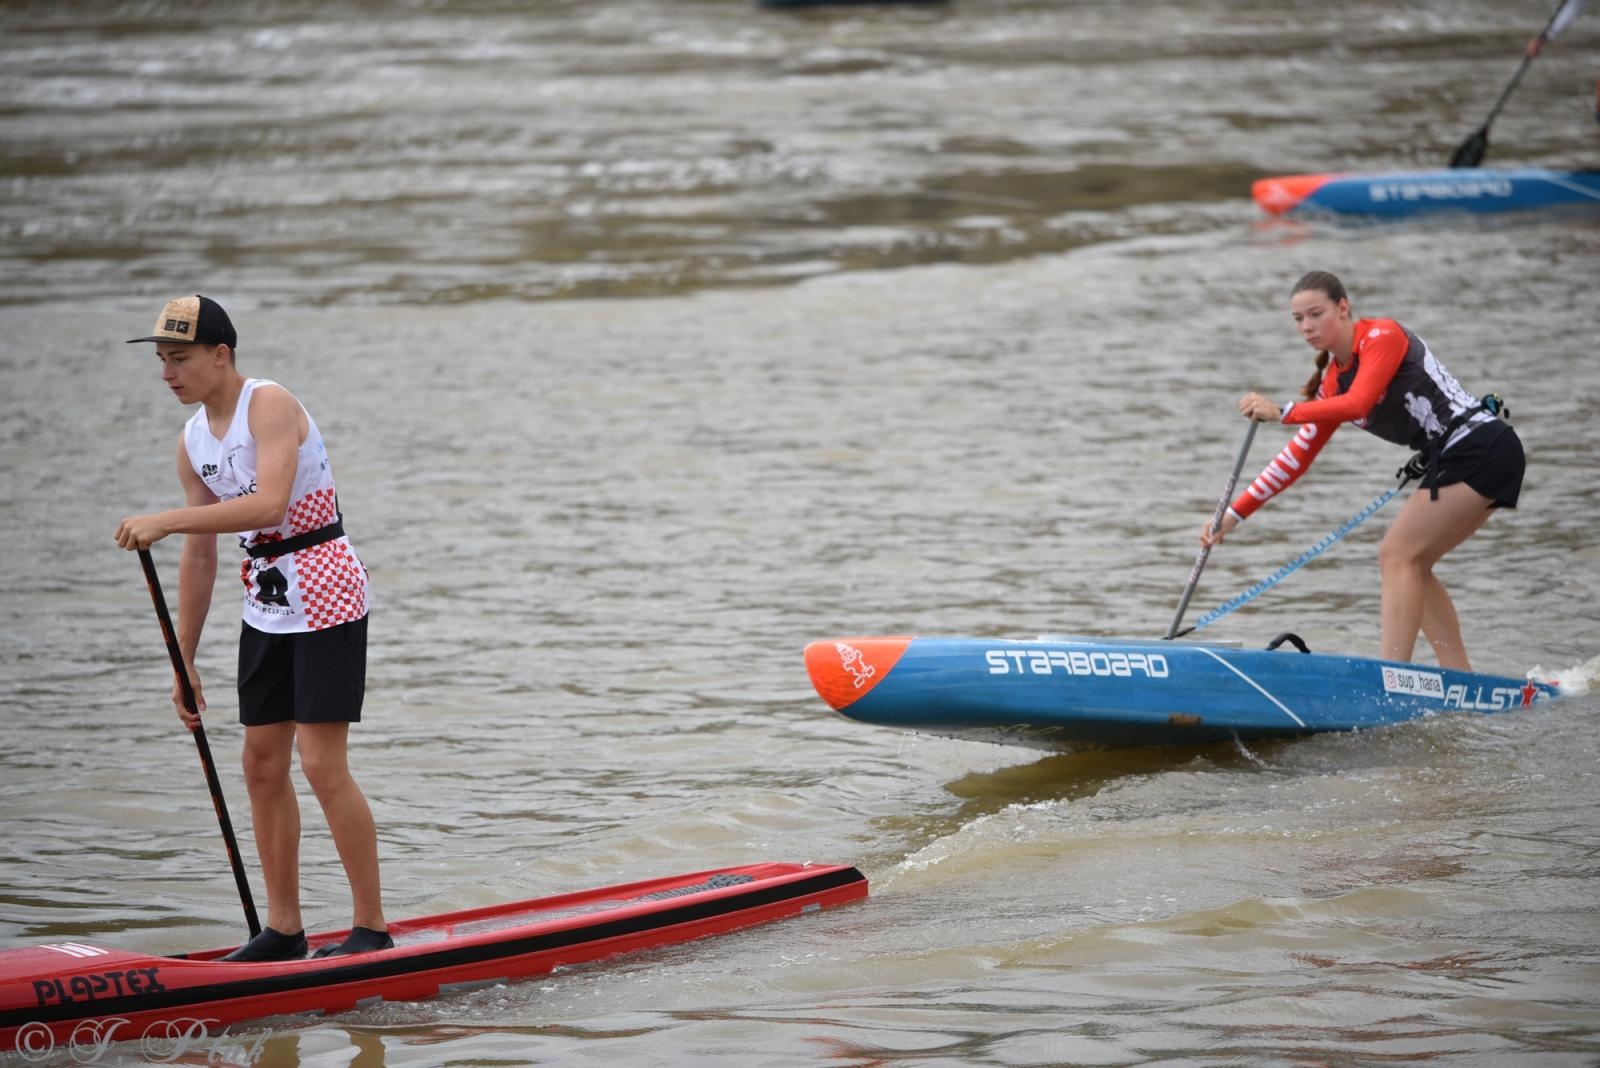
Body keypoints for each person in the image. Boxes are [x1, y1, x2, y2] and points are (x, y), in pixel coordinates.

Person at [115, 295, 390, 961]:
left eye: (179, 359)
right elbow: (202, 554)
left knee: (322, 763)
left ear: (220, 355)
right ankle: (284, 931)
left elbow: (268, 502)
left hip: (325, 587)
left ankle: (371, 930)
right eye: (160, 361)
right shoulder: (191, 442)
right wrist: (183, 661)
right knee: (261, 765)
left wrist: (168, 519)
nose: (167, 374)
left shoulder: (267, 405)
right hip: (265, 601)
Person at [1199, 271, 1524, 672]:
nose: (1306, 327)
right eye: (1298, 319)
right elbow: (1295, 457)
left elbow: (1359, 402)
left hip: (1480, 445)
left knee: (1396, 555)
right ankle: (1460, 678)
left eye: (1315, 314)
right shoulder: (1331, 384)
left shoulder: (1382, 337)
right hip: (1463, 455)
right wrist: (1234, 513)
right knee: (1412, 564)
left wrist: (1282, 411)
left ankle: (1392, 676)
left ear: (1343, 308)